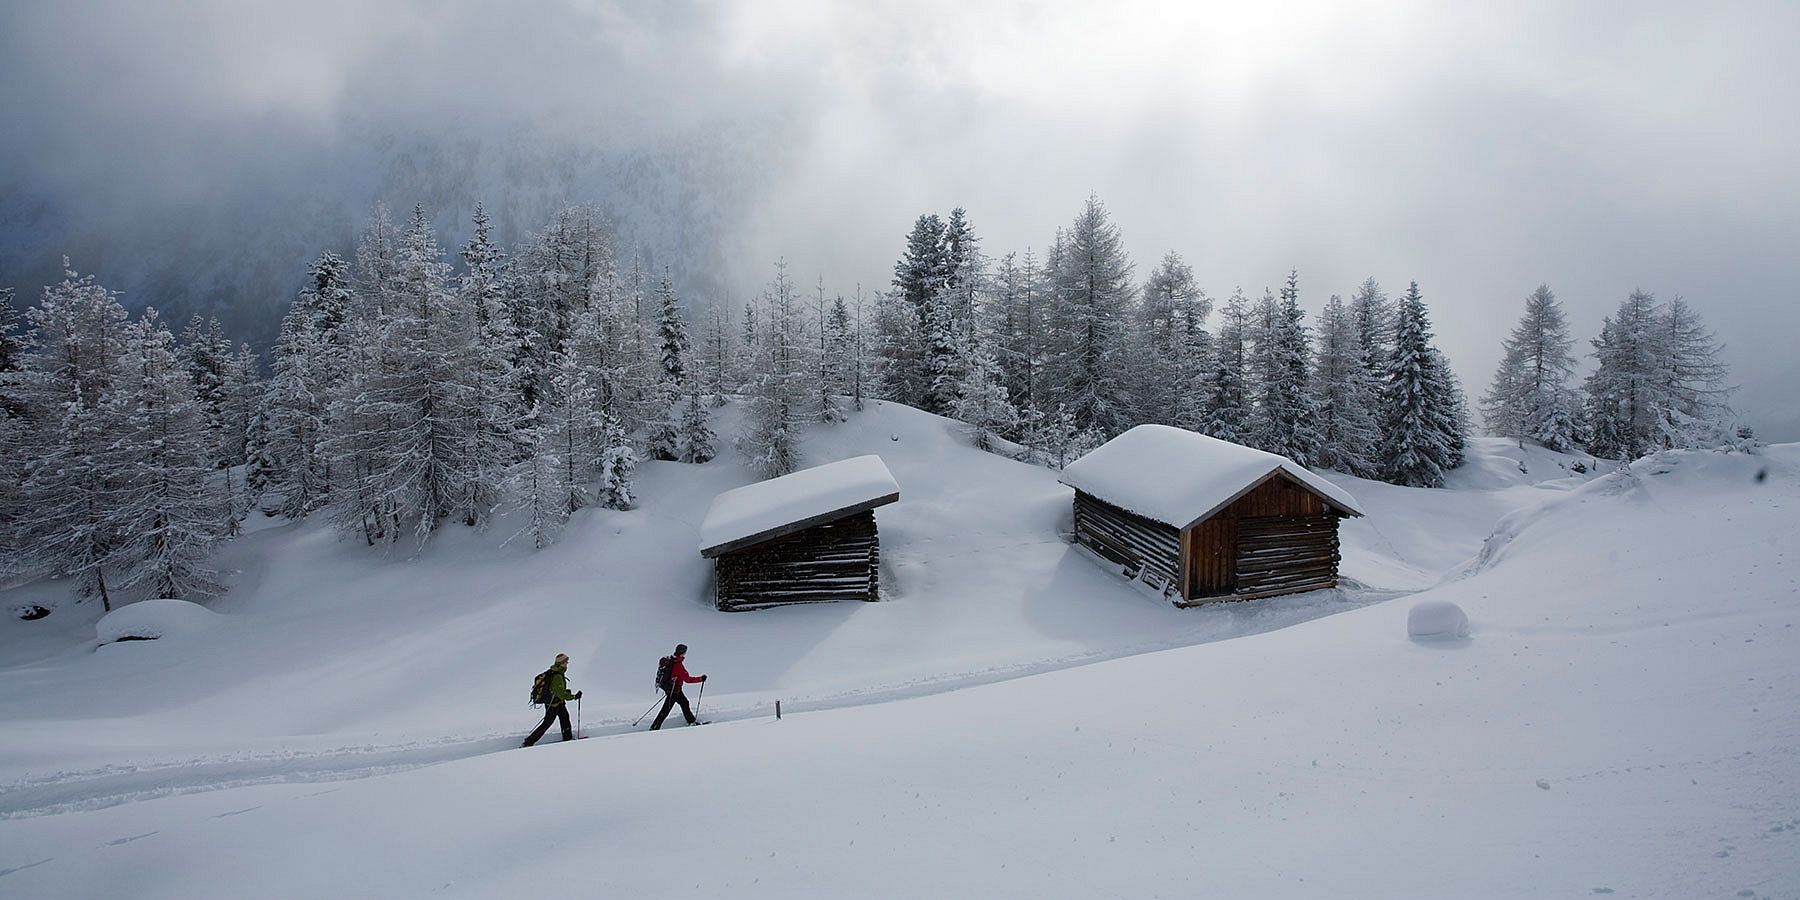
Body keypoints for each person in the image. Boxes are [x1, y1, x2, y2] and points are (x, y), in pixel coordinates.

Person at [522, 653, 583, 747]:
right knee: (546, 724)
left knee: (565, 718)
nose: (567, 664)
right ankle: (528, 742)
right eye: (566, 662)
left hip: (558, 702)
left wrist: (566, 693)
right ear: (561, 663)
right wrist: (574, 697)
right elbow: (560, 693)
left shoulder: (556, 672)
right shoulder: (557, 676)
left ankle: (568, 738)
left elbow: (558, 690)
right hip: (553, 704)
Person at [650, 643, 707, 730]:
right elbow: (687, 679)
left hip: (674, 689)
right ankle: (654, 727)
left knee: (684, 703)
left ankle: (691, 721)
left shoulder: (671, 660)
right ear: (682, 653)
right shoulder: (678, 665)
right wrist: (701, 679)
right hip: (674, 690)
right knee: (666, 710)